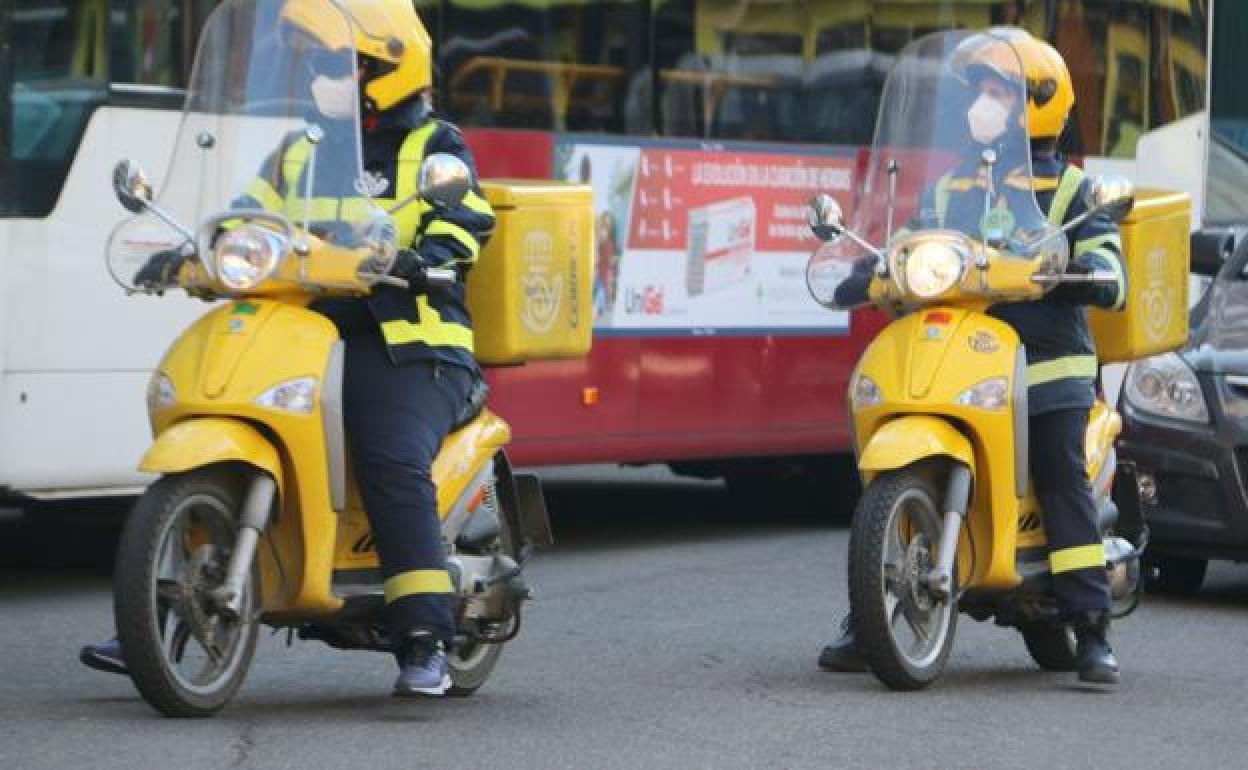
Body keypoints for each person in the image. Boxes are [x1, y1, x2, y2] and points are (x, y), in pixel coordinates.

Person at [81, 0, 495, 698]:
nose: (320, 81)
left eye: (338, 67)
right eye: (318, 66)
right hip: (311, 330)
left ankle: (425, 633)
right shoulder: (303, 149)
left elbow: (466, 220)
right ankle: (160, 620)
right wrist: (193, 252)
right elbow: (247, 215)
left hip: (407, 342)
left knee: (388, 454)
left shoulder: (435, 149)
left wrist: (432, 255)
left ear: (384, 71)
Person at [818, 28, 1126, 686]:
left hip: (1046, 366)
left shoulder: (1070, 190)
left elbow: (1107, 262)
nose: (982, 105)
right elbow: (909, 243)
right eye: (978, 91)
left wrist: (1093, 272)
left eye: (998, 93)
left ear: (1035, 105)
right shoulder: (954, 186)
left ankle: (1092, 627)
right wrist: (870, 270)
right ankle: (867, 612)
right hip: (967, 355)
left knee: (1058, 471)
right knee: (888, 474)